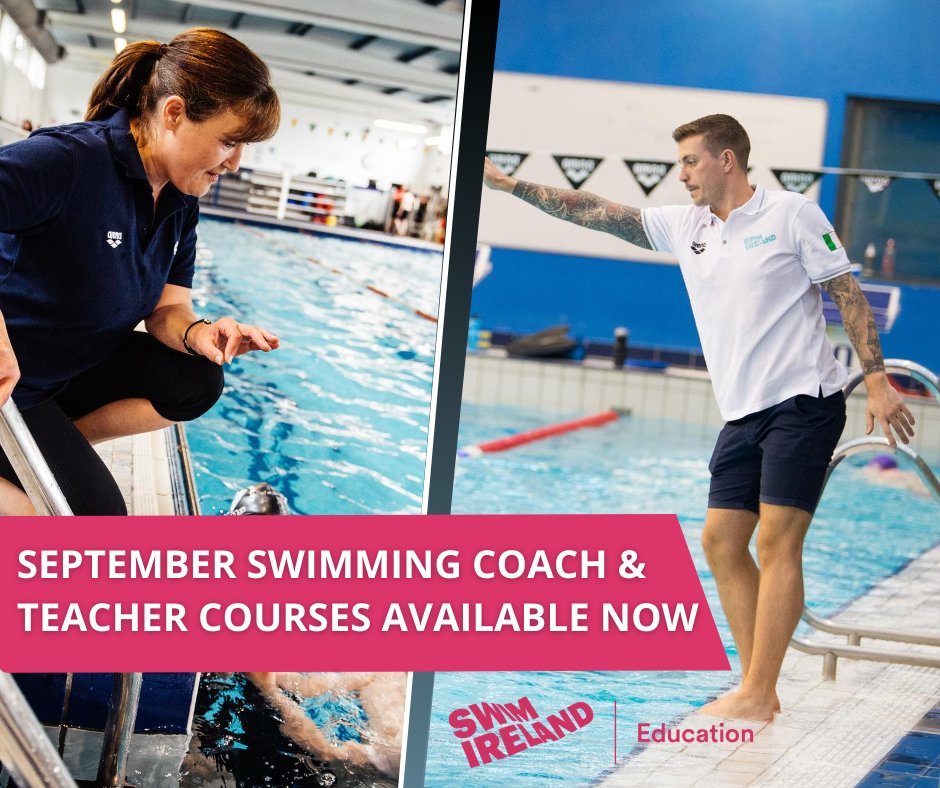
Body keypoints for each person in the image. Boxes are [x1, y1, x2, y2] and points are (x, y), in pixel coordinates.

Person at [482, 114, 915, 722]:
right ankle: (757, 686)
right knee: (719, 542)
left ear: (726, 159)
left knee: (777, 540)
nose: (681, 174)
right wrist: (510, 186)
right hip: (741, 410)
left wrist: (876, 381)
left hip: (803, 400)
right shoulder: (686, 226)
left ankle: (757, 694)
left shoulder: (792, 214)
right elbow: (595, 211)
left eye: (690, 161)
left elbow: (848, 295)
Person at [0, 28, 281, 515]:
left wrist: (201, 333)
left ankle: (49, 453)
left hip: (61, 375)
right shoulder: (69, 161)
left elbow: (168, 308)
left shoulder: (180, 198)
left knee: (195, 377)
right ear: (174, 113)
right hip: (9, 386)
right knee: (94, 524)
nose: (236, 163)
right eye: (229, 142)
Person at [245, 671, 405, 777]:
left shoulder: (401, 751)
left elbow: (327, 752)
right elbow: (312, 686)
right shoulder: (392, 672)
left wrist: (269, 690)